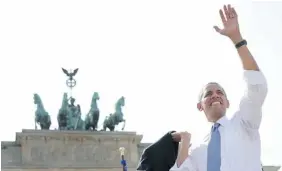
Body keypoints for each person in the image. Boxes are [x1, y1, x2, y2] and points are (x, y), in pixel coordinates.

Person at [170, 4, 268, 171]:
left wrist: (237, 39)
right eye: (208, 93)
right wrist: (185, 141)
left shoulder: (245, 123)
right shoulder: (198, 149)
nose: (215, 95)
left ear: (227, 102)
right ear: (200, 106)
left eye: (220, 92)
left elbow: (257, 87)